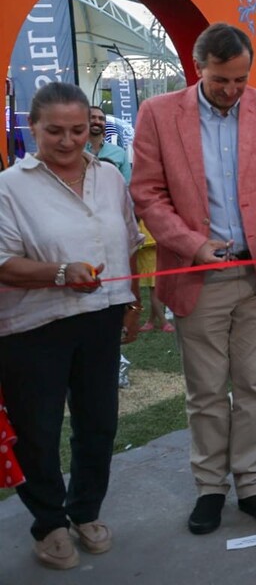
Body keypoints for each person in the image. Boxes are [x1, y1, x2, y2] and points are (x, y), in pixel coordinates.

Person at [131, 23, 256, 535]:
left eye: (240, 79)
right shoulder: (158, 114)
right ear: (198, 69)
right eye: (221, 81)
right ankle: (210, 488)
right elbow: (147, 194)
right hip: (199, 276)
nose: (232, 91)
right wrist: (192, 244)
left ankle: (252, 484)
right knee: (206, 390)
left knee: (254, 384)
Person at [0, 82, 142, 569]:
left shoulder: (110, 177)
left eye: (78, 130)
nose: (67, 141)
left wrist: (131, 301)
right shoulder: (10, 187)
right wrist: (60, 274)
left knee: (98, 422)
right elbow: (2, 262)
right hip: (32, 326)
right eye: (54, 131)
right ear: (32, 128)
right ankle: (49, 524)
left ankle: (85, 511)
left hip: (101, 315)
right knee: (37, 430)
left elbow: (126, 241)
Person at [135, 219, 172, 333]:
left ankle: (150, 321)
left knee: (157, 288)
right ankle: (164, 322)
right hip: (148, 257)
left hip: (158, 255)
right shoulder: (138, 217)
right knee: (155, 289)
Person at [86, 106, 131, 182]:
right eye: (92, 117)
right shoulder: (74, 151)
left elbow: (126, 185)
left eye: (101, 119)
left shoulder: (119, 153)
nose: (97, 121)